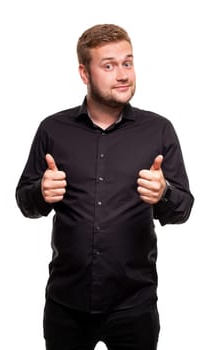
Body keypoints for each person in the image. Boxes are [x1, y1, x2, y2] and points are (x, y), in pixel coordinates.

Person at [16, 24, 194, 350]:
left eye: (128, 62)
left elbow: (183, 208)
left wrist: (164, 193)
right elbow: (25, 200)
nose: (123, 74)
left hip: (134, 306)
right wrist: (39, 192)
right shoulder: (52, 129)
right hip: (65, 304)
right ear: (84, 73)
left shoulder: (159, 131)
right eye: (109, 65)